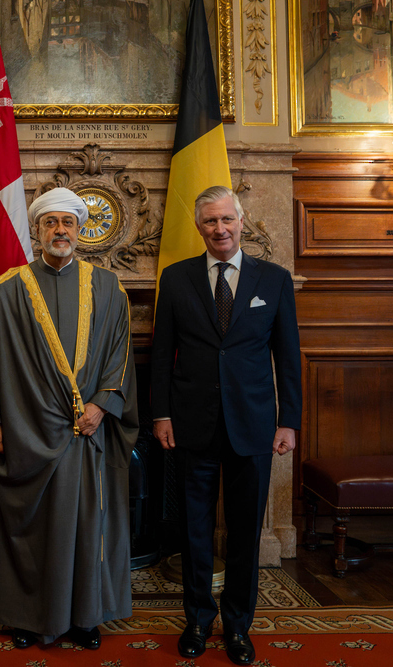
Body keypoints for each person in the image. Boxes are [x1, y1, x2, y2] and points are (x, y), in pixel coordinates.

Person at [0, 187, 139, 650]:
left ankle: (85, 617)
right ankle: (27, 617)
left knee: (87, 526)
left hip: (88, 433)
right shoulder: (8, 288)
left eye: (67, 222)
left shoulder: (109, 287)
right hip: (25, 431)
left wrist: (102, 406)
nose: (59, 230)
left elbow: (121, 357)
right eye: (50, 223)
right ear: (37, 230)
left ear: (80, 230)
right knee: (32, 527)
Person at [151, 186, 301, 665]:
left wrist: (289, 422)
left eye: (227, 220)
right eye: (210, 222)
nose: (220, 229)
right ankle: (197, 620)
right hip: (191, 425)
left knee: (244, 533)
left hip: (255, 427)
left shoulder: (274, 280)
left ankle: (238, 626)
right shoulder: (175, 280)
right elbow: (159, 356)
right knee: (194, 531)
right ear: (199, 227)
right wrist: (161, 413)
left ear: (242, 220)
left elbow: (288, 357)